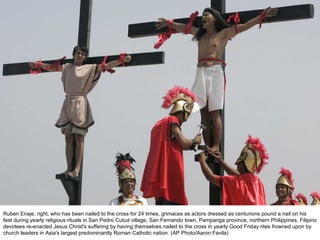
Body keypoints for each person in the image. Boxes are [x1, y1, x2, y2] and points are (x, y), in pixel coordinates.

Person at [155, 7, 278, 152]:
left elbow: (245, 26)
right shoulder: (200, 35)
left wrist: (262, 16)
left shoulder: (223, 34)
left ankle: (216, 146)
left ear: (215, 18)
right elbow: (183, 28)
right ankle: (208, 146)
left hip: (215, 72)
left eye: (207, 15)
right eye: (203, 16)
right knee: (203, 112)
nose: (204, 18)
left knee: (215, 113)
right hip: (200, 72)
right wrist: (170, 23)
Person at [29, 46, 131, 178]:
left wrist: (121, 60)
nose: (80, 56)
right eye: (78, 53)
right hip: (67, 102)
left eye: (83, 54)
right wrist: (38, 64)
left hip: (80, 103)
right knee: (68, 136)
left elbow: (105, 66)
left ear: (85, 57)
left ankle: (76, 169)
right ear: (74, 54)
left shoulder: (89, 68)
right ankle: (68, 168)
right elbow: (51, 67)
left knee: (79, 137)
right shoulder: (67, 67)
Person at [140, 86, 202, 205]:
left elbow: (180, 145)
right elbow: (183, 142)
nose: (186, 120)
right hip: (171, 172)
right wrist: (195, 141)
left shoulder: (160, 124)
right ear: (183, 110)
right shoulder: (172, 121)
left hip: (160, 177)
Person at [196, 135, 269, 205]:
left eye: (239, 163)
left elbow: (210, 177)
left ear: (243, 165)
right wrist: (221, 161)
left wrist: (202, 160)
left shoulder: (234, 181)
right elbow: (239, 177)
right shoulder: (258, 182)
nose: (236, 165)